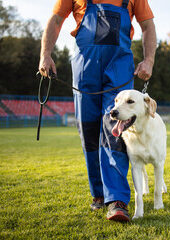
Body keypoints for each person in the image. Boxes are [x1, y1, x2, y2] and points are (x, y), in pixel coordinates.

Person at [38, 0, 156, 222]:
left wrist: (149, 60)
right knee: (89, 131)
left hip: (119, 66)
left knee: (115, 130)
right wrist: (45, 54)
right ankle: (100, 194)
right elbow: (55, 20)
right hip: (85, 66)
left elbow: (148, 26)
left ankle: (117, 200)